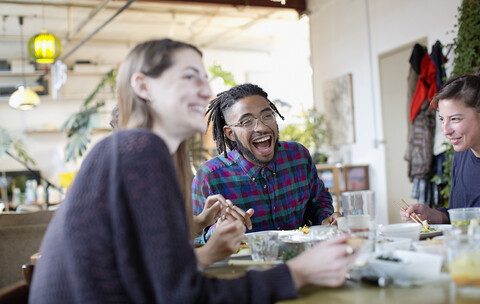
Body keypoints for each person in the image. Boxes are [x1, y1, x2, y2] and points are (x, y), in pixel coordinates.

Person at [30, 39, 358, 303]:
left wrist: (197, 226)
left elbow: (159, 275)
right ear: (143, 87)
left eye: (204, 78)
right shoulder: (140, 150)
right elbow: (185, 295)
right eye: (189, 76)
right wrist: (299, 273)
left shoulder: (130, 150)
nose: (205, 91)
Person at [192, 83, 340, 242]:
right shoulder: (210, 176)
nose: (261, 127)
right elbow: (194, 239)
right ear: (230, 133)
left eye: (267, 116)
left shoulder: (298, 157)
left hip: (301, 260)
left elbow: (318, 202)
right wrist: (218, 231)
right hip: (243, 266)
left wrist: (326, 219)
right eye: (247, 121)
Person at [110, 104, 250, 267]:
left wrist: (201, 221)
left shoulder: (148, 175)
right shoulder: (116, 185)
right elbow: (147, 268)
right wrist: (209, 252)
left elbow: (159, 235)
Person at [400, 73, 480, 224]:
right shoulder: (460, 155)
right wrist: (433, 214)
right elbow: (462, 217)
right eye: (442, 119)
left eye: (455, 119)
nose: (446, 130)